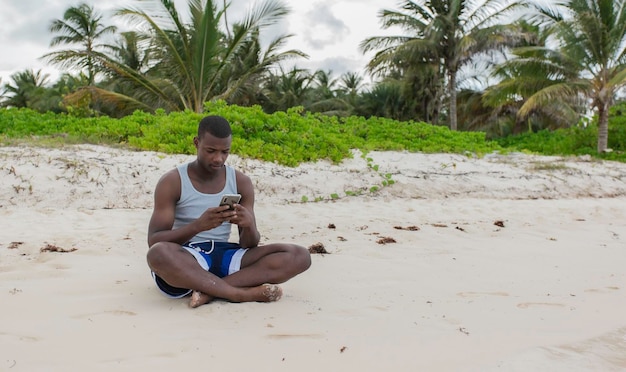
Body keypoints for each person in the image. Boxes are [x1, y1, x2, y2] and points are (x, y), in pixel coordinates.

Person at [146, 115, 311, 307]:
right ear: (196, 143)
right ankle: (237, 294)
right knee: (158, 254)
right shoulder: (172, 181)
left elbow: (249, 243)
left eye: (225, 152)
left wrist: (248, 225)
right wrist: (198, 226)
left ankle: (210, 292)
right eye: (211, 151)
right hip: (188, 255)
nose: (218, 158)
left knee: (300, 255)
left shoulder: (241, 182)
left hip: (226, 256)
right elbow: (154, 240)